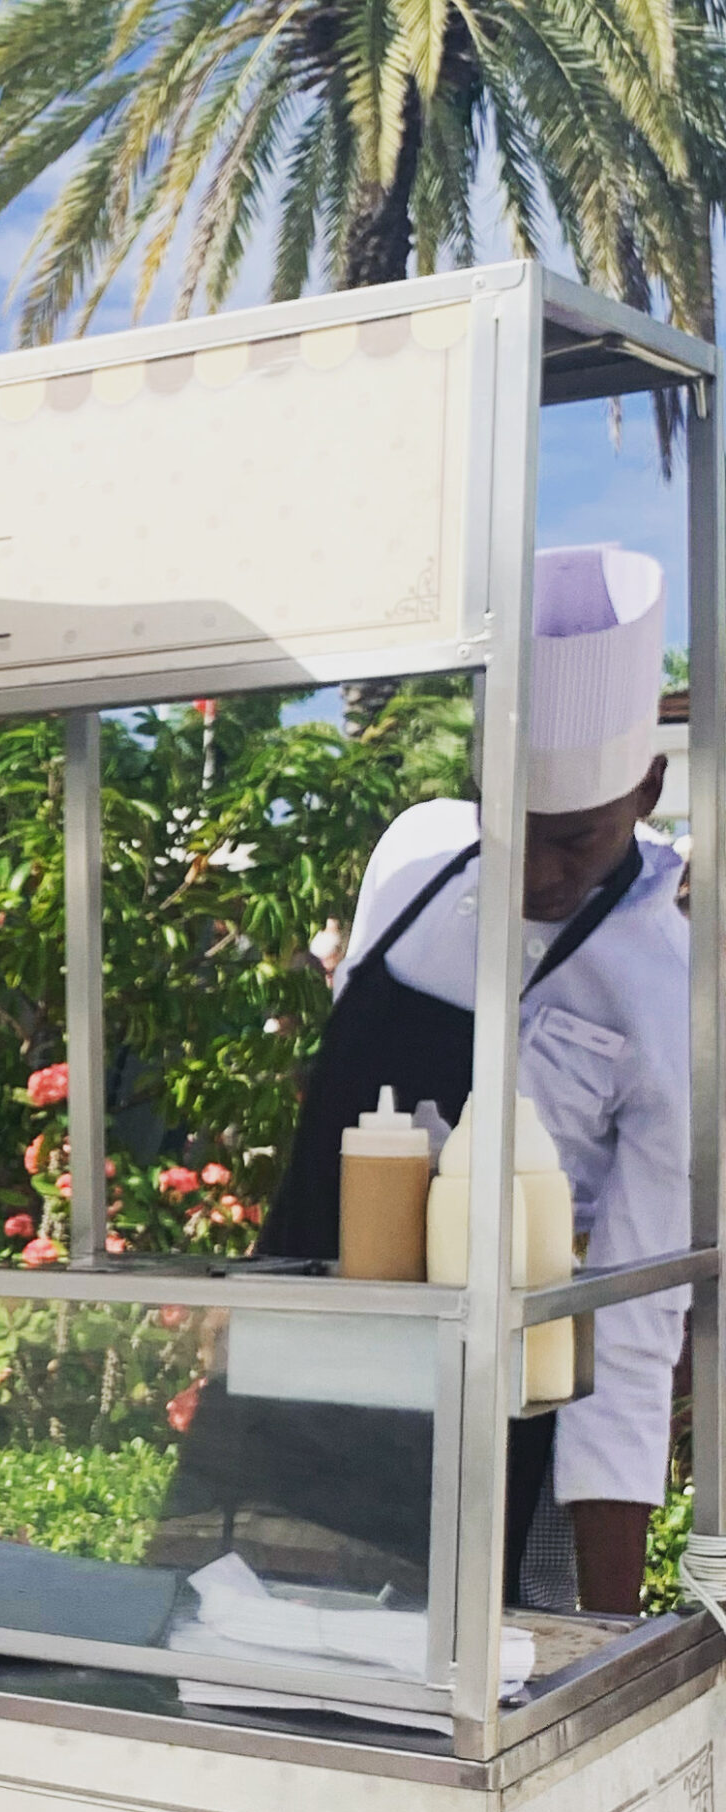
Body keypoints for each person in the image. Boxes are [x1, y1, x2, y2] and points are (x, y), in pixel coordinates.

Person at [257, 545, 688, 1615]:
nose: (535, 873)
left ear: (647, 787)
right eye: (513, 828)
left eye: (574, 839)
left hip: (495, 1445)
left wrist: (606, 1640)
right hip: (299, 1398)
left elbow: (629, 1324)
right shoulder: (413, 857)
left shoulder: (675, 987)